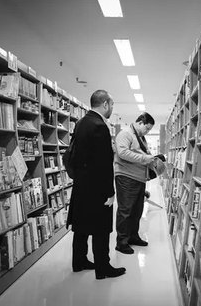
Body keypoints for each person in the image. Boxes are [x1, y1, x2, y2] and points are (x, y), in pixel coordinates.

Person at [66, 90, 126, 279]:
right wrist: (110, 192)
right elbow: (103, 163)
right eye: (112, 105)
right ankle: (103, 268)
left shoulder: (81, 122)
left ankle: (79, 261)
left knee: (81, 226)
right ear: (105, 104)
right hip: (97, 188)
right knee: (101, 229)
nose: (112, 109)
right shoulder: (99, 126)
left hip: (81, 185)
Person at [114, 112, 157, 254]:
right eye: (147, 128)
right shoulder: (125, 134)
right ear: (140, 123)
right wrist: (145, 159)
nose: (148, 131)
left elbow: (140, 154)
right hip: (126, 177)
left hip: (138, 178)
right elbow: (122, 153)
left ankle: (133, 236)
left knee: (136, 210)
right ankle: (121, 242)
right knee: (125, 211)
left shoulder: (140, 137)